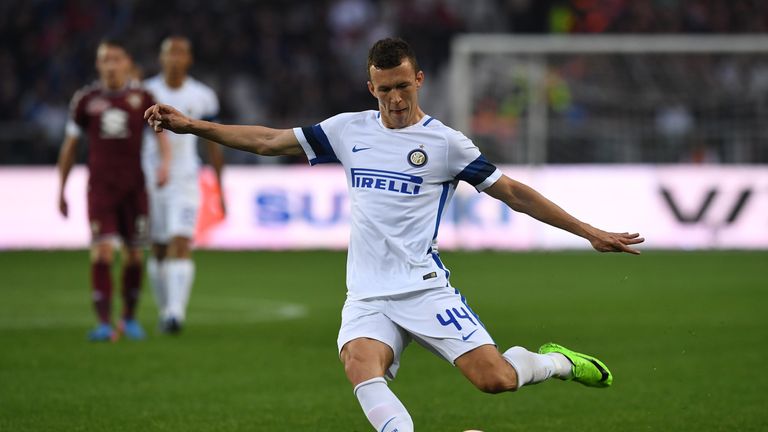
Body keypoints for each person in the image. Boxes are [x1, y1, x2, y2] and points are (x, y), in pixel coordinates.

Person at [145, 38, 644, 431]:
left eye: (403, 86)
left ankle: (554, 362)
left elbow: (511, 191)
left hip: (424, 288)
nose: (396, 98)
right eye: (385, 89)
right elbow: (270, 141)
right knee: (360, 365)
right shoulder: (348, 130)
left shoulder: (446, 144)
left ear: (419, 80)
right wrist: (193, 126)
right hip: (366, 294)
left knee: (495, 381)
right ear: (371, 89)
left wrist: (587, 230)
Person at [58, 38, 171, 342]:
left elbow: (162, 134)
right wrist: (61, 188)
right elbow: (70, 146)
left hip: (135, 187)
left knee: (135, 255)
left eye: (116, 59)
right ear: (98, 64)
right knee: (103, 253)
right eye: (105, 59)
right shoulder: (85, 100)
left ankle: (129, 320)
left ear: (126, 62)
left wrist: (165, 164)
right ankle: (105, 324)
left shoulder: (143, 96)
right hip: (101, 189)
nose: (110, 64)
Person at [142, 36, 225, 333]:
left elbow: (214, 144)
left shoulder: (203, 96)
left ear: (189, 59)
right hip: (151, 180)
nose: (174, 58)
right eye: (169, 53)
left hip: (186, 179)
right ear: (160, 58)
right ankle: (166, 311)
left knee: (180, 241)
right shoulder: (145, 92)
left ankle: (176, 314)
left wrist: (220, 188)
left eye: (180, 53)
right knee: (159, 248)